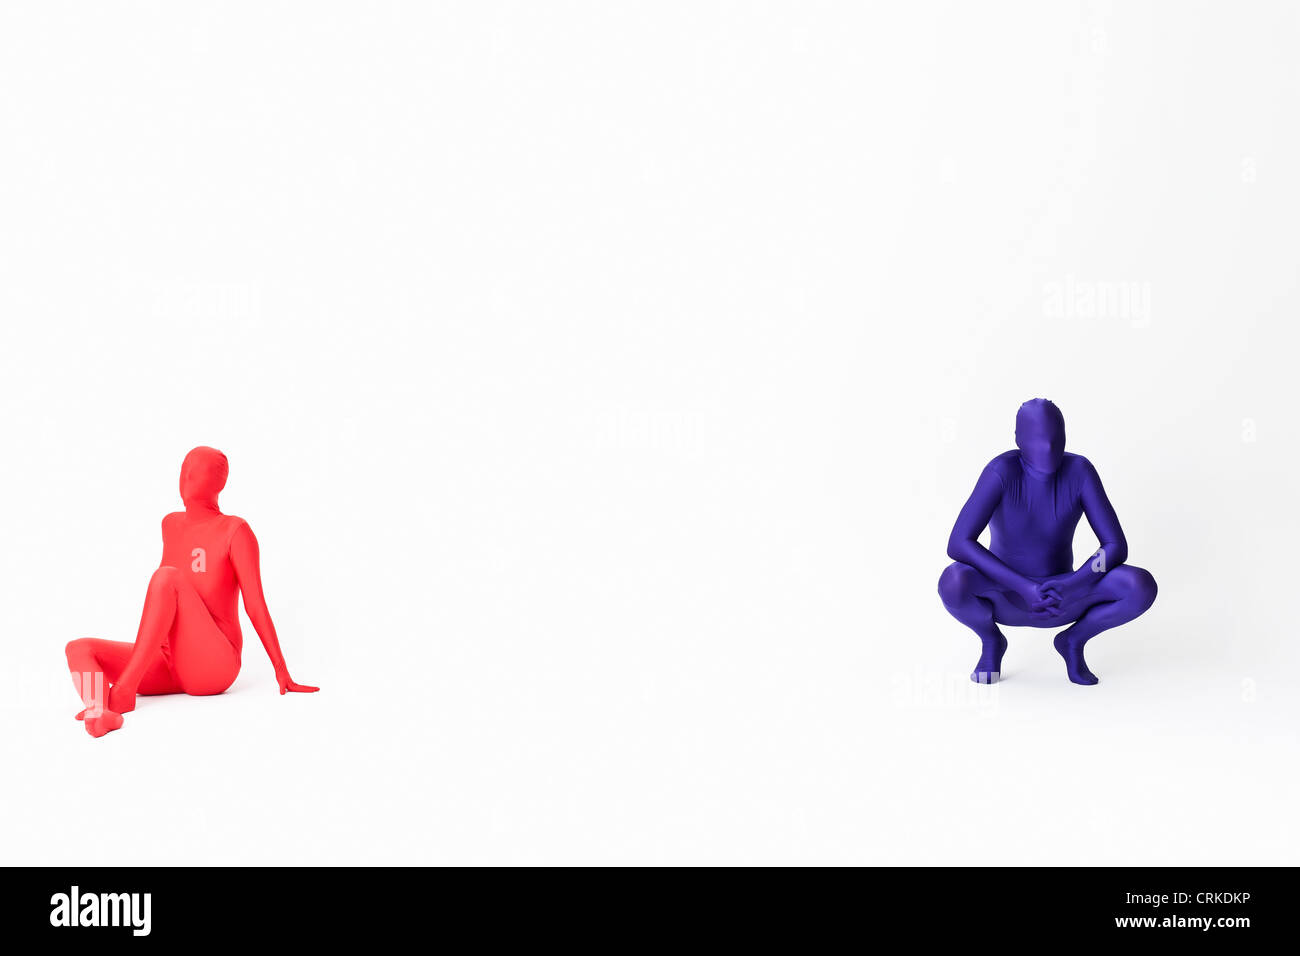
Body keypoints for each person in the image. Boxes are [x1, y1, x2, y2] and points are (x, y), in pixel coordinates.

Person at [65, 446, 317, 736]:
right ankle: (99, 712)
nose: (186, 477)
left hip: (214, 666)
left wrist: (281, 669)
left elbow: (255, 604)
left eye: (197, 472)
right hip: (169, 662)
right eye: (184, 470)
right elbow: (161, 612)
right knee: (79, 648)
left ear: (218, 483)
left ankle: (123, 692)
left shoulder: (235, 530)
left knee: (167, 578)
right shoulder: (170, 524)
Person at [938, 399, 1157, 685]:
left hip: (1064, 597)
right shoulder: (1001, 471)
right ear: (1018, 440)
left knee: (1140, 585)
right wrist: (1023, 586)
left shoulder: (1080, 471)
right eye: (1038, 439)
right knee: (953, 581)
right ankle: (991, 640)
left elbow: (1114, 546)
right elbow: (959, 543)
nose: (1050, 448)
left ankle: (1073, 640)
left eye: (1057, 437)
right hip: (1007, 595)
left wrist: (1075, 582)